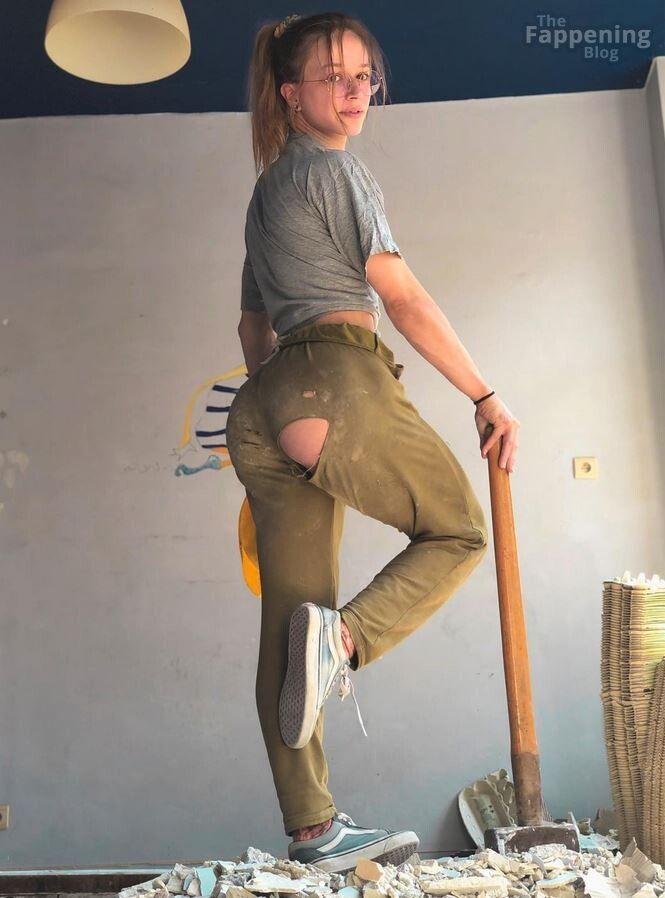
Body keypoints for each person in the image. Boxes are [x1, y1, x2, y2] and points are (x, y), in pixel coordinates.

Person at [226, 10, 520, 873]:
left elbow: (251, 330)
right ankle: (346, 640)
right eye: (335, 76)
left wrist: (281, 413)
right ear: (292, 93)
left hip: (265, 406)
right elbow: (401, 296)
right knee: (457, 530)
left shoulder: (267, 192)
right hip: (335, 378)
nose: (356, 91)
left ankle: (312, 830)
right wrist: (484, 394)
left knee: (289, 625)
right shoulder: (335, 169)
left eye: (364, 75)